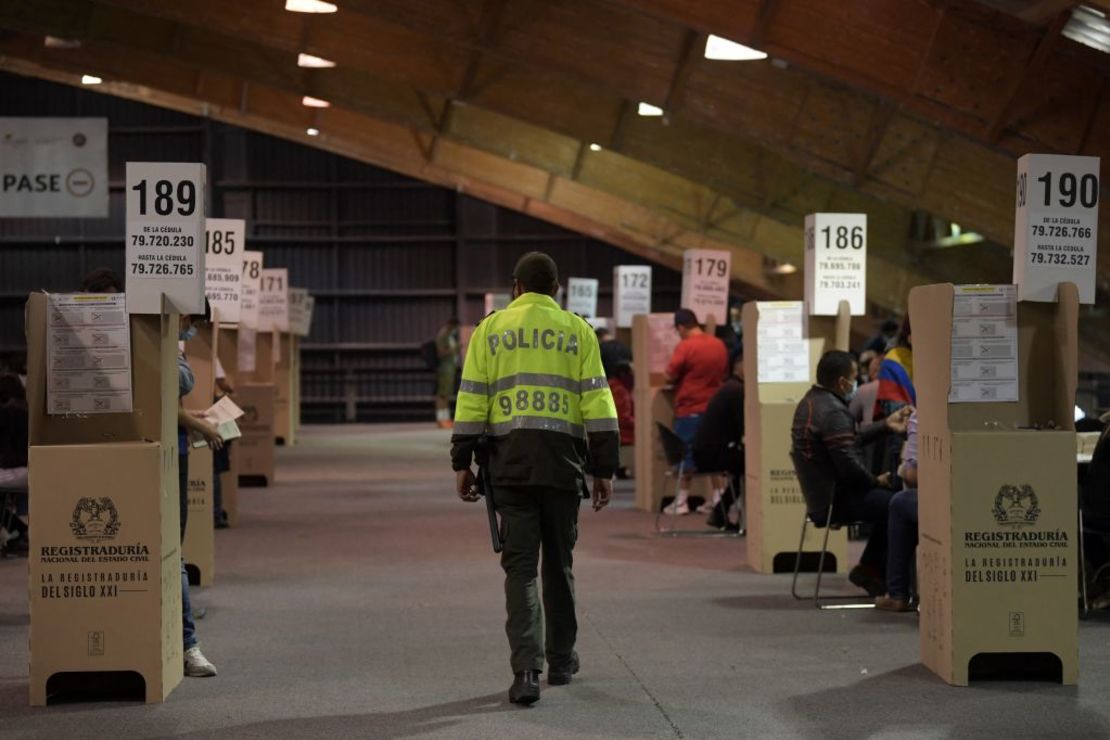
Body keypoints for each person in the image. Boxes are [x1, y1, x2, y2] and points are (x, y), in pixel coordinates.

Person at [450, 251, 619, 706]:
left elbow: (471, 401)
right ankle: (561, 662)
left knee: (521, 569)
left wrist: (461, 462)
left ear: (516, 287)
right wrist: (603, 468)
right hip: (563, 468)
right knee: (559, 567)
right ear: (557, 289)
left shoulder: (490, 330)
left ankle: (526, 671)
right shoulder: (578, 331)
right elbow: (599, 405)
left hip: (511, 469)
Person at [791, 350, 911, 596]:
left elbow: (849, 441)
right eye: (855, 377)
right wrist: (874, 480)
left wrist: (885, 425)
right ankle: (887, 581)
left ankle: (870, 569)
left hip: (823, 497)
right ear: (842, 382)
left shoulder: (812, 402)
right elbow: (848, 464)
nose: (857, 382)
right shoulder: (834, 411)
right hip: (837, 500)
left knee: (892, 504)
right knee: (900, 506)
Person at [176, 303, 224, 677]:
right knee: (172, 555)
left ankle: (184, 641)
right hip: (160, 455)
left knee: (174, 551)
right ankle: (189, 644)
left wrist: (193, 423)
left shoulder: (170, 345)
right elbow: (166, 391)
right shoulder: (156, 345)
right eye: (191, 322)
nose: (191, 329)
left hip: (172, 448)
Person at [662, 308, 728, 515]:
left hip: (690, 408)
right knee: (713, 455)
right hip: (714, 409)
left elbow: (669, 376)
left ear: (681, 327)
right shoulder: (719, 345)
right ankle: (718, 499)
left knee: (686, 455)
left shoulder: (686, 346)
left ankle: (681, 501)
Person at [691, 347, 745, 532]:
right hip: (711, 454)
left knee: (744, 466)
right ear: (739, 367)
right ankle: (722, 513)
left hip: (706, 451)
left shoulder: (730, 387)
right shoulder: (737, 391)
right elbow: (744, 428)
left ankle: (721, 512)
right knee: (748, 467)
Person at [876, 411, 918, 612]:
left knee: (898, 503)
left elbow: (912, 475)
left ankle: (897, 593)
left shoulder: (922, 416)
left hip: (944, 501)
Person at [873, 316, 915, 478]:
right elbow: (896, 412)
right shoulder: (893, 363)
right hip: (903, 444)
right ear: (909, 336)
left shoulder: (933, 359)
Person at [0, 373, 29, 551]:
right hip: (26, 469)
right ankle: (18, 530)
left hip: (15, 470)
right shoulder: (26, 412)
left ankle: (18, 530)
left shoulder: (7, 414)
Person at [434, 318, 460, 429]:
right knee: (442, 394)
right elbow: (441, 353)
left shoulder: (449, 335)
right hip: (444, 368)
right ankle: (441, 419)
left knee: (446, 394)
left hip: (450, 368)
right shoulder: (443, 335)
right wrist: (454, 348)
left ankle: (445, 418)